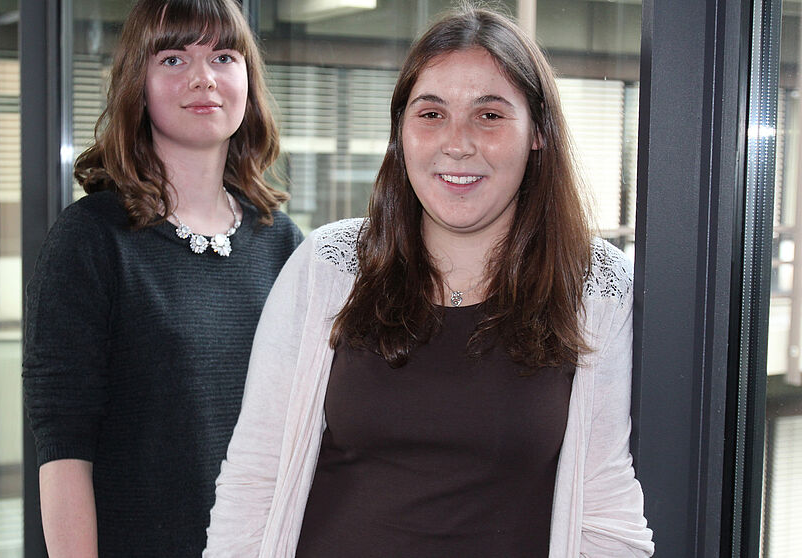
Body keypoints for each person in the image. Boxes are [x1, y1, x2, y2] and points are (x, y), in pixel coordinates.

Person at [204, 5, 653, 557]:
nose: (456, 143)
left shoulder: (596, 287)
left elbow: (607, 508)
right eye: (431, 114)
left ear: (538, 132)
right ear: (401, 131)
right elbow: (254, 477)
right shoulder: (329, 266)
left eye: (489, 115)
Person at [22, 0, 303, 556]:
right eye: (173, 59)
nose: (204, 78)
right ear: (138, 85)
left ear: (248, 80)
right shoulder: (91, 240)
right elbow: (64, 445)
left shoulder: (284, 244)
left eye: (224, 56)